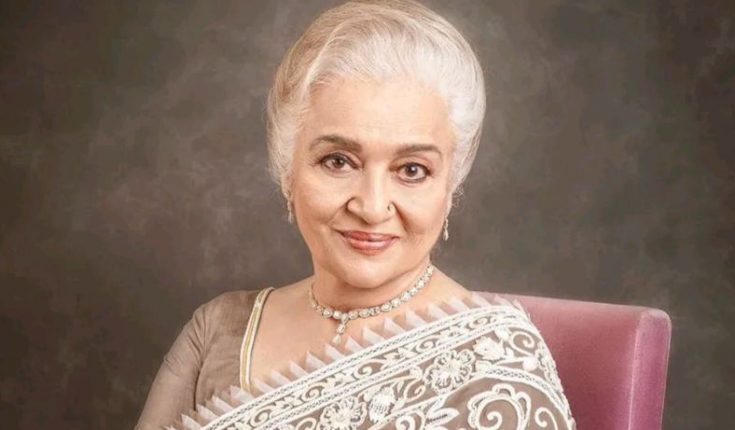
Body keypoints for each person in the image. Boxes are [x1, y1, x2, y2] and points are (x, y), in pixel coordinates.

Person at [135, 1, 577, 429]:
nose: (371, 206)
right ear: (287, 170)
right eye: (338, 161)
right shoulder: (220, 330)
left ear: (450, 185)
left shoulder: (494, 365)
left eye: (411, 170)